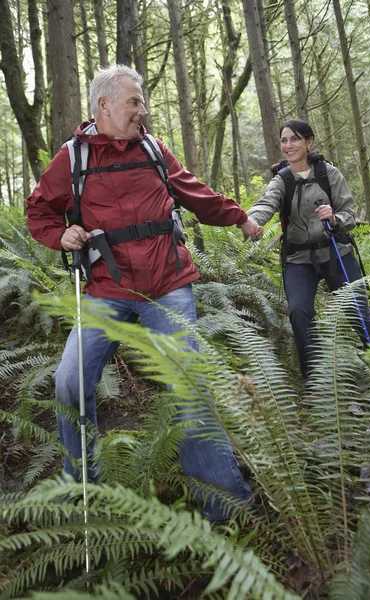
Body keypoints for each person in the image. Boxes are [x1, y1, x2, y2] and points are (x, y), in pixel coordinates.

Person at [26, 64, 263, 522]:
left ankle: (225, 510)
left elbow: (197, 194)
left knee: (187, 386)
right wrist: (63, 235)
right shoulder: (72, 158)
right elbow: (39, 211)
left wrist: (239, 217)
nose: (143, 109)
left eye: (143, 101)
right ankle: (85, 488)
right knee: (69, 381)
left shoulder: (154, 149)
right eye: (135, 101)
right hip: (105, 290)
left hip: (167, 284)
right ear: (105, 105)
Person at [248, 119, 370, 380]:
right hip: (298, 258)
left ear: (309, 142)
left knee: (358, 311)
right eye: (284, 140)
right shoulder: (282, 179)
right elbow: (266, 203)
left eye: (295, 139)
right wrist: (252, 221)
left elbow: (349, 214)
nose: (289, 145)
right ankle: (314, 382)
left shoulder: (328, 173)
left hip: (336, 252)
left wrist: (335, 218)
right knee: (299, 312)